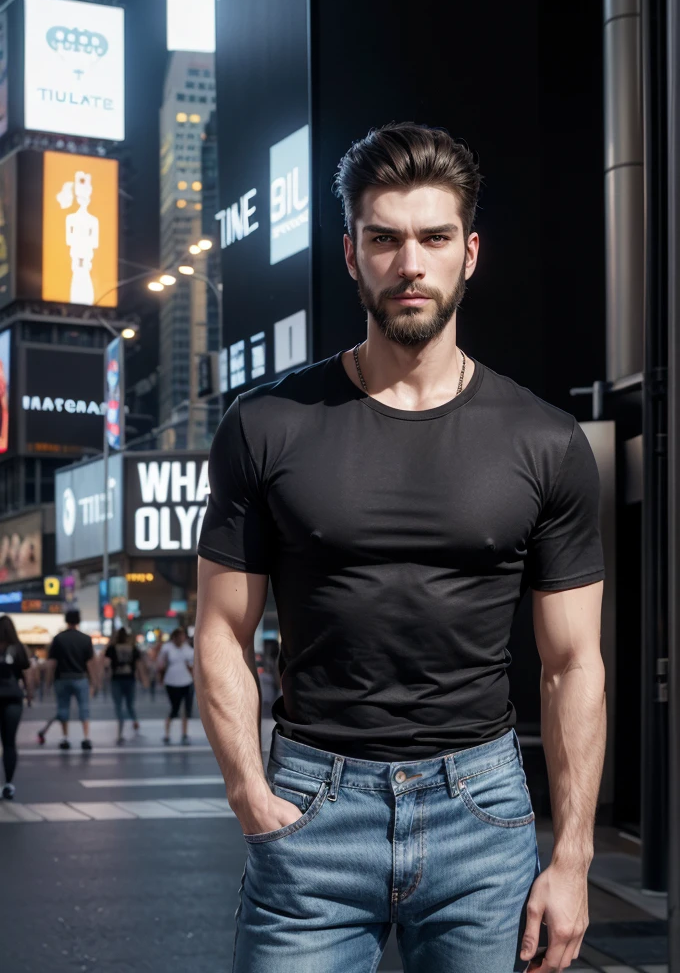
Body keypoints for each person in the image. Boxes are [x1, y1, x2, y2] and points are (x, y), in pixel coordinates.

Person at [194, 122, 607, 973]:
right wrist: (248, 796)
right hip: (311, 809)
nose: (409, 263)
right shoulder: (267, 424)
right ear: (351, 254)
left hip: (482, 820)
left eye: (433, 238)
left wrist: (572, 858)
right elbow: (221, 632)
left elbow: (573, 664)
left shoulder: (546, 440)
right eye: (383, 238)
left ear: (470, 252)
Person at [46, 609, 98, 752]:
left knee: (63, 708)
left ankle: (65, 738)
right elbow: (90, 663)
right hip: (80, 678)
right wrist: (94, 681)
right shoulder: (86, 639)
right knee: (84, 708)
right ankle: (86, 738)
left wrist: (48, 681)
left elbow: (52, 662)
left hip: (62, 678)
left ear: (66, 620)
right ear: (78, 621)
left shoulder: (58, 639)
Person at [0, 615, 31, 799]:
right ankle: (9, 784)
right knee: (9, 742)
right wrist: (29, 694)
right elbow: (26, 673)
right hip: (13, 698)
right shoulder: (18, 648)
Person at [103, 628, 146, 745]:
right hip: (130, 678)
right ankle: (135, 720)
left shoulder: (112, 648)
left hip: (116, 679)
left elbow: (106, 663)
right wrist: (143, 679)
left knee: (118, 706)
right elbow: (139, 665)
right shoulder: (133, 648)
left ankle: (120, 731)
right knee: (130, 704)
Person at [158, 628, 194, 745]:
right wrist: (160, 677)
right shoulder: (167, 648)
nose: (181, 639)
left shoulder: (188, 649)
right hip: (171, 682)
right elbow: (161, 665)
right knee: (174, 709)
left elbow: (192, 665)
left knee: (186, 710)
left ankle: (184, 733)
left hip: (186, 681)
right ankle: (167, 733)